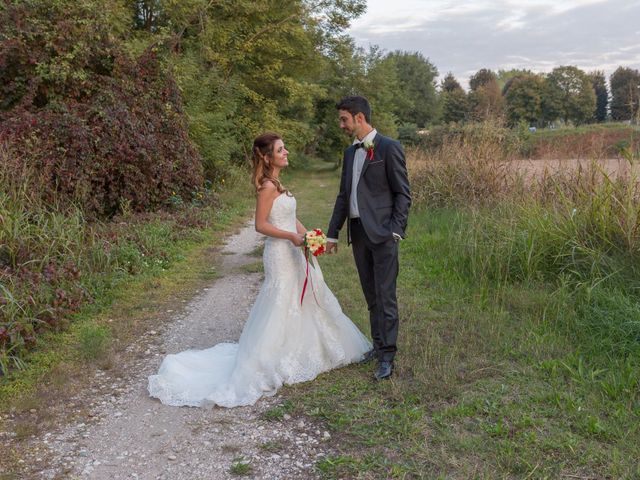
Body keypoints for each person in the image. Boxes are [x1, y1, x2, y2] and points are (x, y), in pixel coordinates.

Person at [148, 132, 371, 408]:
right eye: (281, 149)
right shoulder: (266, 186)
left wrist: (312, 236)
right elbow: (261, 225)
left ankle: (305, 348)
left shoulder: (277, 182)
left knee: (305, 299)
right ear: (267, 158)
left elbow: (290, 218)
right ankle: (272, 357)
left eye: (284, 148)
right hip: (279, 254)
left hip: (293, 250)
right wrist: (291, 238)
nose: (286, 152)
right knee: (281, 301)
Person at [327, 96, 411, 381]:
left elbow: (403, 193)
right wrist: (332, 233)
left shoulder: (389, 148)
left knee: (386, 296)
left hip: (384, 233)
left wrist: (396, 229)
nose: (341, 125)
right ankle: (377, 346)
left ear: (359, 118)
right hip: (359, 233)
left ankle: (388, 356)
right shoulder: (350, 153)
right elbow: (343, 195)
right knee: (370, 295)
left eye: (344, 119)